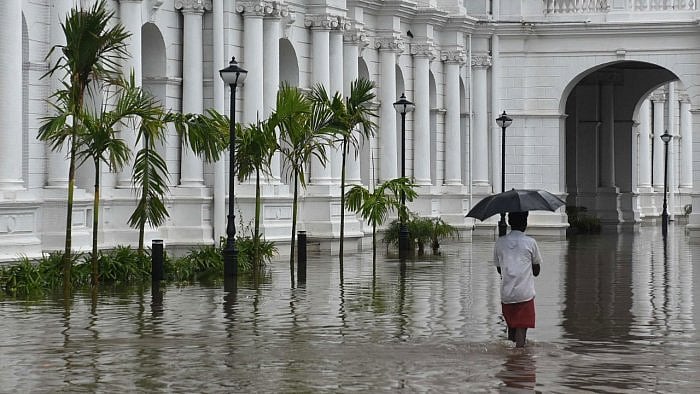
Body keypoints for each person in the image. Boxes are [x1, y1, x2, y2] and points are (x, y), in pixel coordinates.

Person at [493, 211, 542, 348]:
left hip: (507, 295)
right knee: (521, 331)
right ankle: (519, 362)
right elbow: (536, 271)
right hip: (524, 294)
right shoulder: (531, 243)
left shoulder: (500, 242)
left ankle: (511, 365)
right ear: (525, 223)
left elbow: (499, 269)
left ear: (508, 222)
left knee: (511, 329)